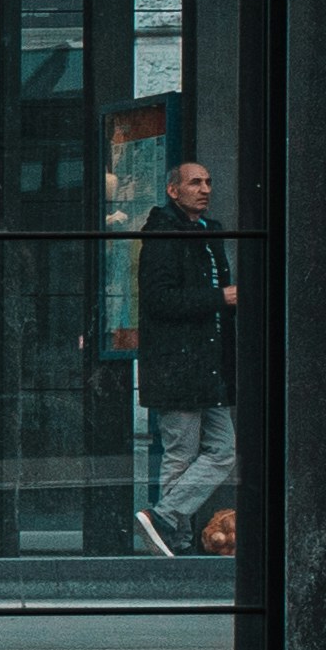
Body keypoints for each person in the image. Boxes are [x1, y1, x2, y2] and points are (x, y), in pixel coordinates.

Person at [127, 153, 238, 556]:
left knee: (222, 450)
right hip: (177, 364)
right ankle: (174, 534)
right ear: (174, 191)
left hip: (209, 363)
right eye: (195, 183)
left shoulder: (210, 233)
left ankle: (165, 518)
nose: (205, 189)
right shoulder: (161, 235)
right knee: (181, 452)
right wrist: (220, 297)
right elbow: (158, 301)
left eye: (208, 182)